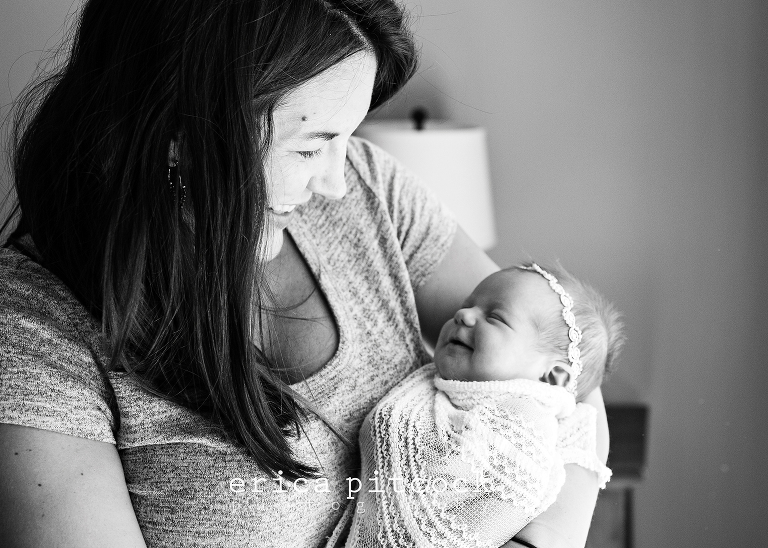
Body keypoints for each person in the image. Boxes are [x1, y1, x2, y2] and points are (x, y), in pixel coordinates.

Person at [0, 1, 610, 547]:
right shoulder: (33, 329)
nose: (337, 182)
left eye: (347, 137)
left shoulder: (371, 189)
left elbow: (563, 354)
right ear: (177, 137)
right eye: (309, 147)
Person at [342, 263, 624, 547]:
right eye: (465, 306)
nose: (463, 315)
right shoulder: (443, 388)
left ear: (553, 376)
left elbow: (498, 488)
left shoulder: (525, 422)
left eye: (495, 317)